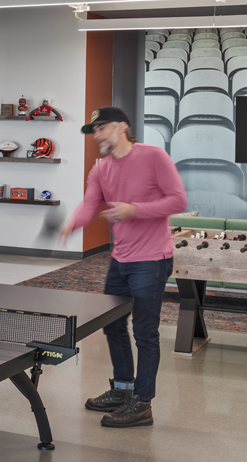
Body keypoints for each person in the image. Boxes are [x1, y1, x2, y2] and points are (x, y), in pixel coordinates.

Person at [59, 107, 187, 428]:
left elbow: (178, 200)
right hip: (120, 259)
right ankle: (122, 389)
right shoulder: (100, 168)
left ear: (122, 127)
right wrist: (72, 224)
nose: (97, 135)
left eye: (101, 128)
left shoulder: (154, 156)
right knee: (113, 325)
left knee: (145, 332)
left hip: (152, 259)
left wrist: (135, 210)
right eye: (94, 130)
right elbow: (90, 206)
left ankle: (142, 404)